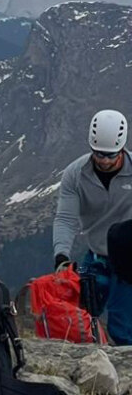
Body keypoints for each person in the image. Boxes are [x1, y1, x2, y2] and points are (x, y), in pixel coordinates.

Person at [53, 108, 132, 344]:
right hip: (97, 255)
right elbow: (66, 218)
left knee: (123, 325)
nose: (105, 161)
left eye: (111, 155)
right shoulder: (75, 175)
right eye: (99, 155)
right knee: (80, 316)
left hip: (129, 260)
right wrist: (61, 256)